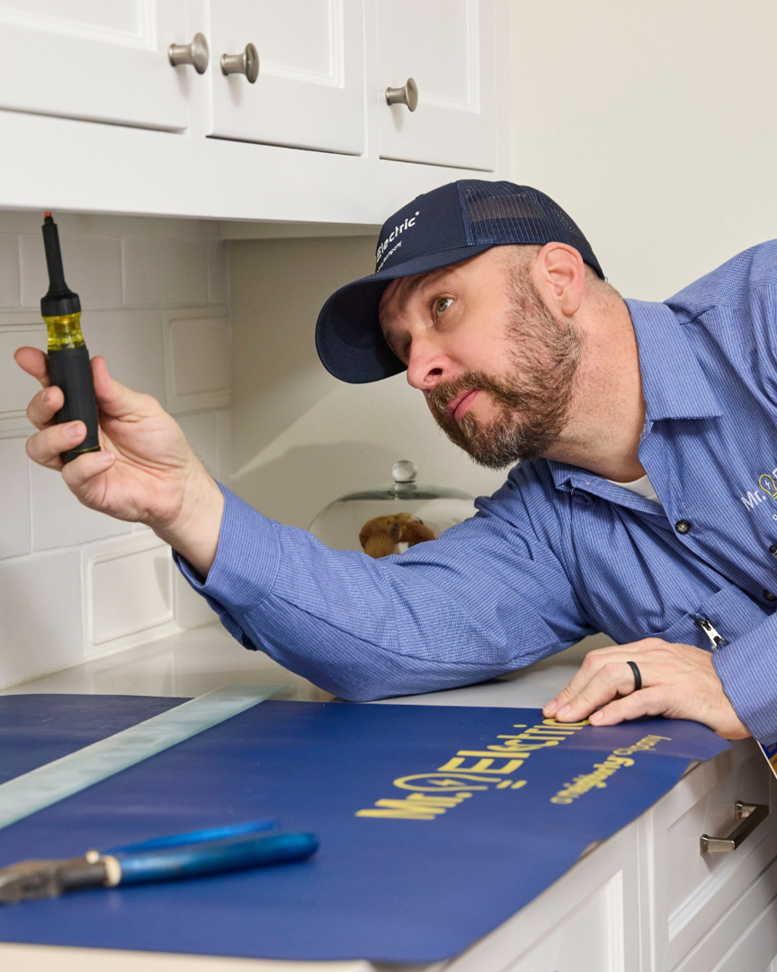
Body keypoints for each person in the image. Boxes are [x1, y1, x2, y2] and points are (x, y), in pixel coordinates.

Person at [15, 180, 777, 746]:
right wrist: (185, 506)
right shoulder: (548, 525)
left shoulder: (763, 313)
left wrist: (736, 682)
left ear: (557, 278)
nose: (418, 370)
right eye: (402, 344)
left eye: (441, 307)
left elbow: (736, 688)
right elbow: (388, 633)